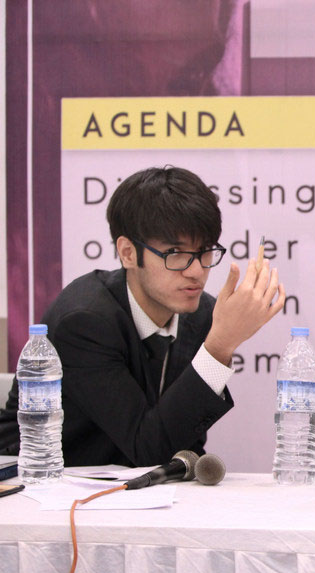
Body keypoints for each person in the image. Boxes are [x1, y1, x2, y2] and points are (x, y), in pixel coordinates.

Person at [0, 166, 285, 467]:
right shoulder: (84, 323)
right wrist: (219, 347)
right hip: (34, 481)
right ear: (128, 253)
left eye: (204, 251)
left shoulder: (202, 315)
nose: (196, 271)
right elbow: (147, 448)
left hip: (136, 488)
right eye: (174, 252)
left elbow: (183, 443)